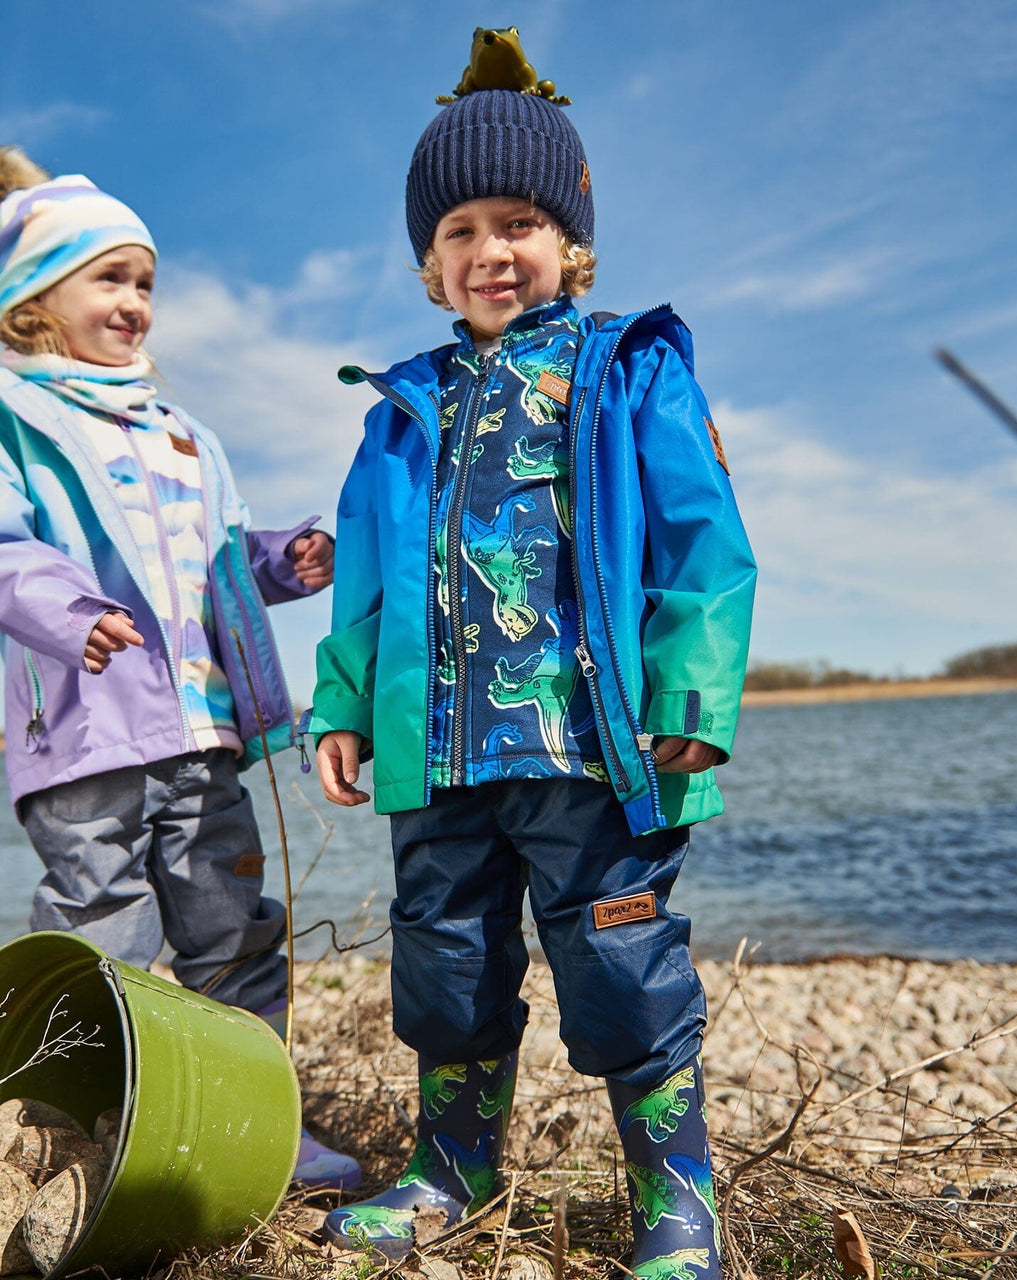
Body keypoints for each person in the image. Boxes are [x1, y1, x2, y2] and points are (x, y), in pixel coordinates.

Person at [310, 71, 756, 1275]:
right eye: (458, 230)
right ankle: (451, 1168)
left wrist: (693, 696)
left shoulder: (630, 367)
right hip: (438, 752)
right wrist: (344, 701)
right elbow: (363, 575)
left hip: (589, 752)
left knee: (620, 961)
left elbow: (702, 544)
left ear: (572, 239)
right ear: (427, 260)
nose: (488, 250)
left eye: (518, 222)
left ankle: (675, 1192)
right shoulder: (403, 406)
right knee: (444, 965)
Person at [0, 147, 359, 1192]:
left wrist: (279, 561)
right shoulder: (17, 417)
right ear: (32, 298)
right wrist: (73, 613)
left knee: (232, 930)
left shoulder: (188, 437)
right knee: (100, 935)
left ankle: (258, 1125)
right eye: (109, 279)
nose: (136, 302)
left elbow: (219, 560)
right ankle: (66, 1134)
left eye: (146, 283)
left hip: (203, 731)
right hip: (84, 736)